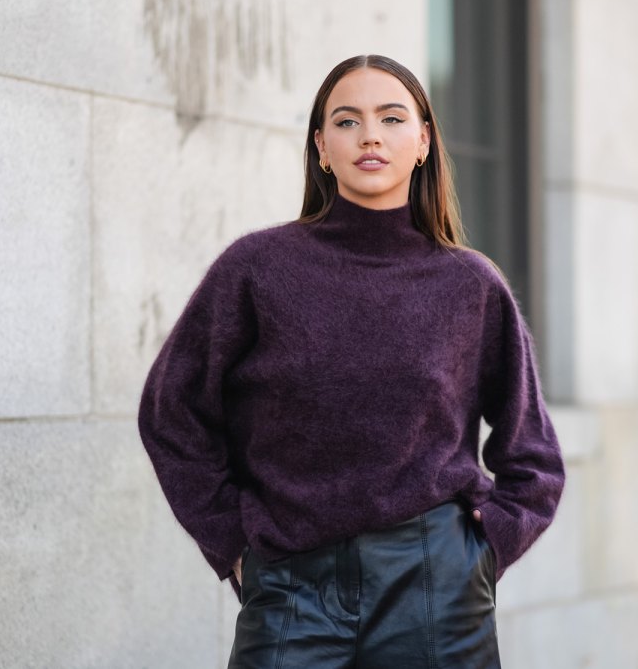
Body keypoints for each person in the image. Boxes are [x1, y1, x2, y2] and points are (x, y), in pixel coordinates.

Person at [137, 54, 565, 668]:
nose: (369, 135)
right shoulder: (256, 270)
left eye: (392, 118)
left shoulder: (470, 285)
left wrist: (485, 551)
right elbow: (170, 414)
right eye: (346, 121)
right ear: (320, 146)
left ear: (423, 142)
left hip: (435, 590)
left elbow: (534, 455)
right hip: (289, 586)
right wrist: (232, 542)